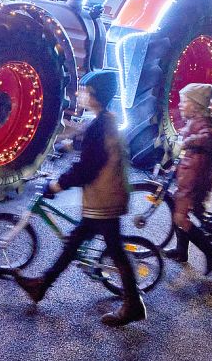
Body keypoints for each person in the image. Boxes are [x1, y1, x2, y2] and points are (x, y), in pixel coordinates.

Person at [12, 70, 145, 327]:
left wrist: (57, 185)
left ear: (94, 95)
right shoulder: (103, 119)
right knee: (74, 243)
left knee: (112, 250)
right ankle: (41, 286)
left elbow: (87, 167)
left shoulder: (101, 125)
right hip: (105, 197)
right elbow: (85, 140)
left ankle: (133, 304)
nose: (78, 93)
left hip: (105, 199)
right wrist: (66, 146)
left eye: (84, 90)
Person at [163, 83, 212, 275]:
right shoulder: (193, 122)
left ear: (196, 105)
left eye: (184, 102)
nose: (180, 105)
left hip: (196, 181)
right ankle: (181, 252)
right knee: (178, 208)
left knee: (180, 216)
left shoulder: (205, 124)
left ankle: (210, 251)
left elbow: (209, 138)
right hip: (188, 176)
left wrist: (187, 142)